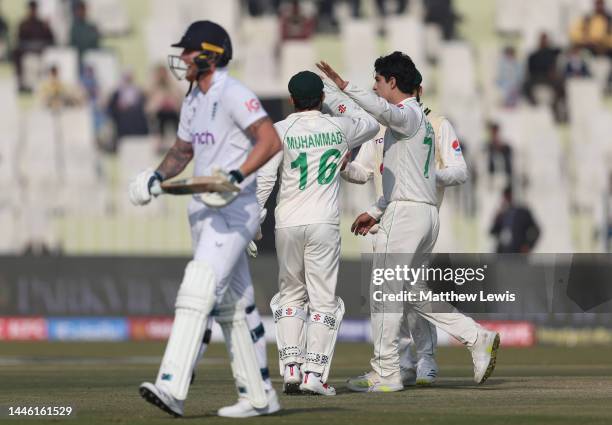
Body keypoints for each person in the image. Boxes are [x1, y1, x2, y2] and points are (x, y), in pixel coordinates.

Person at [318, 51, 499, 392]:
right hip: (421, 212)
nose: (375, 86)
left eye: (378, 81)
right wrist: (376, 209)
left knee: (383, 293)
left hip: (406, 214)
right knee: (411, 293)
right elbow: (399, 176)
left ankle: (386, 373)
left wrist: (343, 86)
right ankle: (477, 337)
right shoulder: (415, 119)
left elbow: (382, 110)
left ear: (393, 83)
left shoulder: (408, 114)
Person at [128, 20, 283, 418]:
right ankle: (260, 396)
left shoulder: (234, 93)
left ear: (210, 54)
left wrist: (237, 174)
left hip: (234, 208)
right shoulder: (194, 97)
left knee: (199, 284)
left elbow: (270, 140)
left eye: (188, 51)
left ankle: (172, 388)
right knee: (235, 304)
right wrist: (156, 176)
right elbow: (182, 150)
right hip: (202, 209)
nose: (181, 58)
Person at [333, 83, 468, 386]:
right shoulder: (380, 128)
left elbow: (459, 171)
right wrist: (344, 168)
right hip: (386, 217)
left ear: (414, 88)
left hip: (415, 216)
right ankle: (403, 363)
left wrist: (429, 179)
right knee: (396, 296)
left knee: (408, 290)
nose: (379, 95)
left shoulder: (436, 124)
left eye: (380, 87)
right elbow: (363, 172)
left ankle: (426, 359)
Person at [256, 71, 379, 396]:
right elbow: (369, 121)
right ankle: (314, 374)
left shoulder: (280, 131)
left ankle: (292, 369)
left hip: (287, 224)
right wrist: (337, 96)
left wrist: (253, 222)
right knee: (324, 302)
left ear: (291, 100)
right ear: (321, 99)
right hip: (323, 222)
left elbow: (266, 179)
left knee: (290, 297)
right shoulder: (337, 127)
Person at [523, 33, 566, 122]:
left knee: (561, 86)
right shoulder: (534, 55)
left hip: (549, 78)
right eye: (542, 39)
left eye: (545, 40)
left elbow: (562, 50)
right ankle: (534, 105)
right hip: (536, 78)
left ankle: (558, 114)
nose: (544, 41)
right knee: (525, 85)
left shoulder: (551, 52)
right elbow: (530, 70)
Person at [13, 0, 55, 92]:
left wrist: (48, 28)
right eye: (31, 9)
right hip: (27, 51)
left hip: (41, 51)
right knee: (16, 52)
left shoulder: (42, 24)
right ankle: (21, 82)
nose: (33, 11)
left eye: (34, 9)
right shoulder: (23, 24)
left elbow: (51, 40)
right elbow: (19, 41)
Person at [490, 186, 540, 253]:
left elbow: (536, 230)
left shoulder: (523, 212)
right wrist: (496, 219)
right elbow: (493, 232)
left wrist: (528, 245)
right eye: (505, 197)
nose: (506, 199)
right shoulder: (503, 212)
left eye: (508, 196)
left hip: (519, 253)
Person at [107, 71, 149, 152]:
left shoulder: (138, 91)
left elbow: (143, 104)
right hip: (122, 118)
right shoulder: (117, 92)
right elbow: (112, 107)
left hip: (136, 116)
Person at [69, 1, 100, 68]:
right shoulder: (72, 28)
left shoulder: (91, 27)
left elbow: (95, 45)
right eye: (78, 10)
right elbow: (72, 46)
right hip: (77, 61)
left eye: (82, 10)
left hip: (92, 59)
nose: (80, 12)